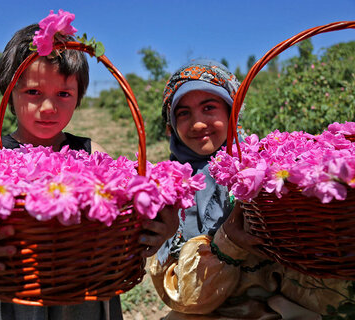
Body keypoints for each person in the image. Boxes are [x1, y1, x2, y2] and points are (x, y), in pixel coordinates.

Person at [0, 22, 177, 320]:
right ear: (8, 93)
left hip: (89, 303)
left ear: (79, 97)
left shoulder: (93, 154)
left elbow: (129, 223)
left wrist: (160, 229)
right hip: (16, 305)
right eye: (33, 92)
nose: (49, 106)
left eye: (63, 94)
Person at [148, 60, 350, 319]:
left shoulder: (263, 166)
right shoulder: (166, 186)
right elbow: (181, 295)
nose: (197, 124)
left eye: (209, 107)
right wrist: (227, 244)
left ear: (232, 111)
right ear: (171, 123)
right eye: (183, 113)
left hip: (282, 305)